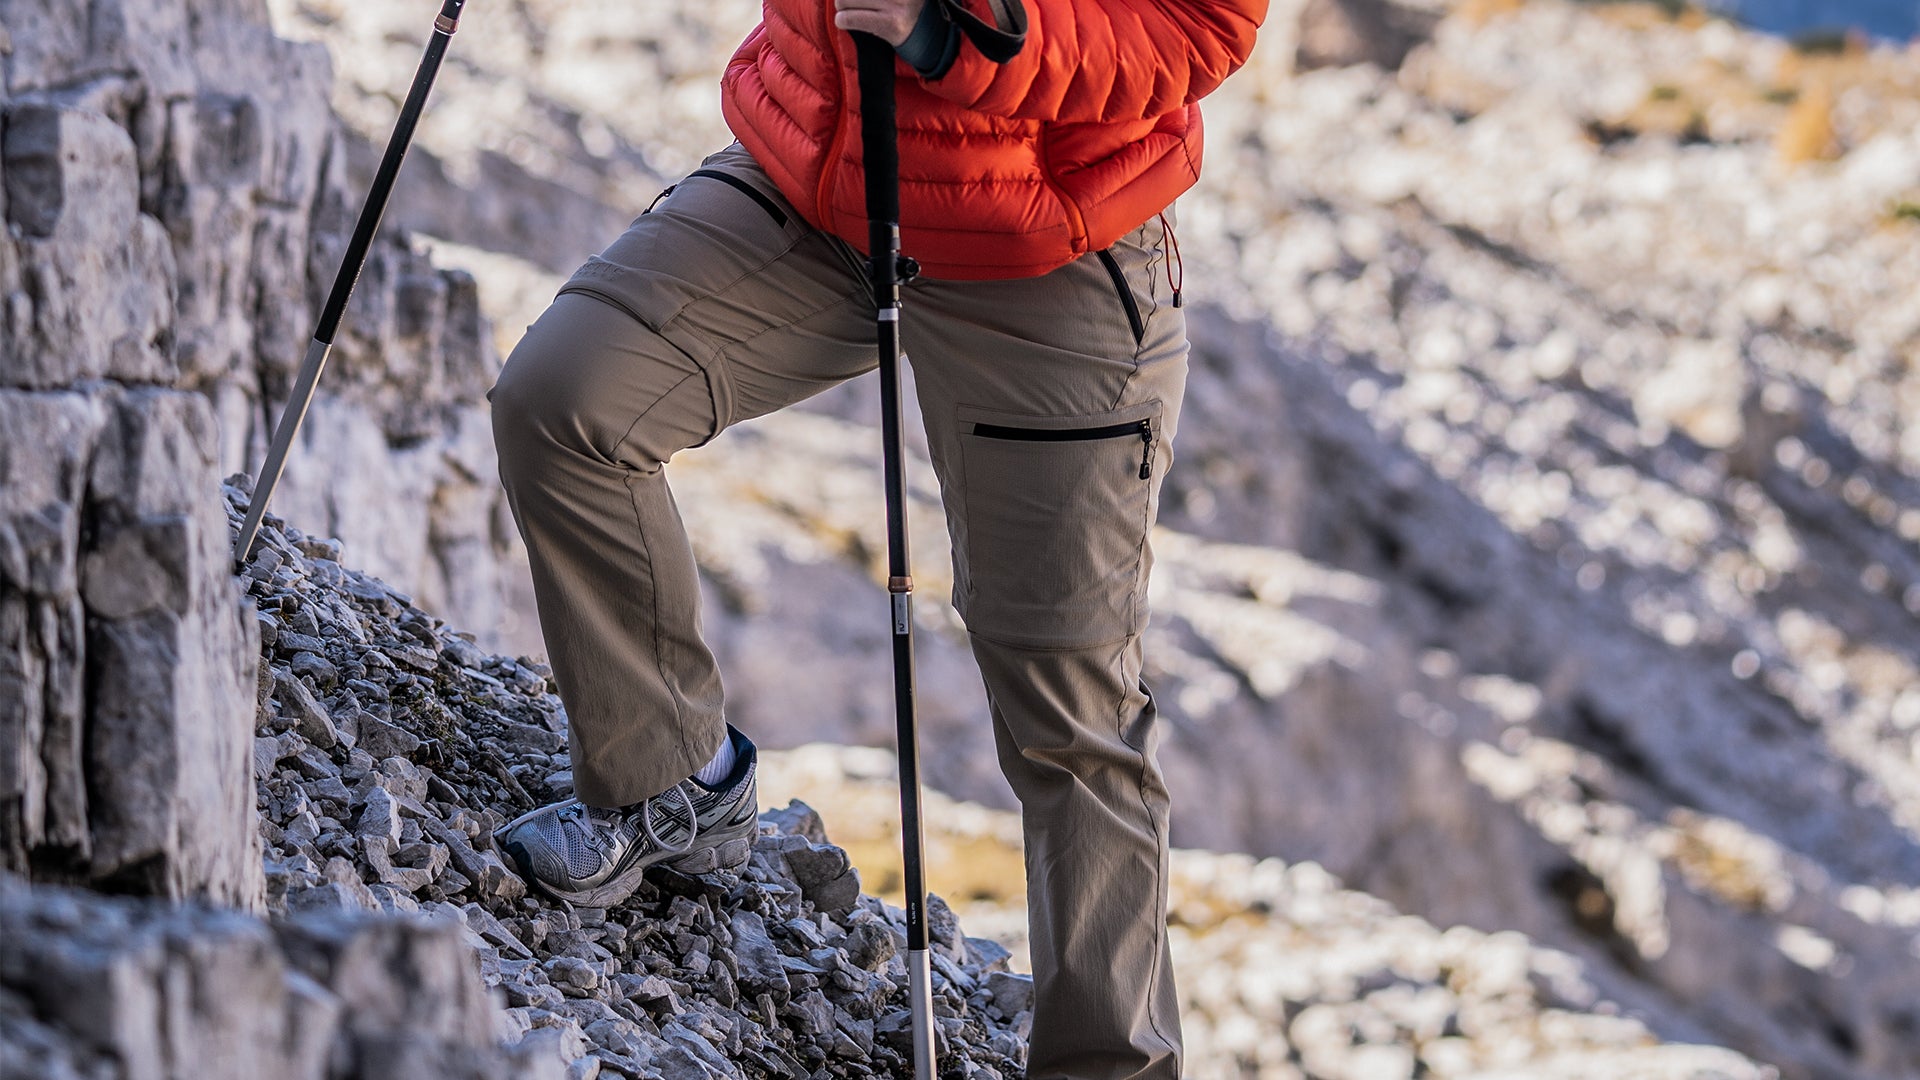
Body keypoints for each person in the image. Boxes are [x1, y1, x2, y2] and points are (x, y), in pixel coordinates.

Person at [489, 0, 1264, 1075]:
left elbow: (1200, 25)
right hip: (817, 179)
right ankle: (670, 779)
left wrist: (967, 27)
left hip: (1046, 238)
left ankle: (1108, 1065)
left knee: (1069, 703)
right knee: (566, 400)